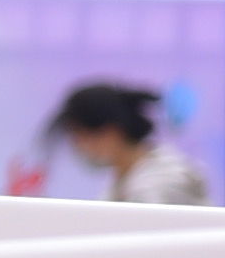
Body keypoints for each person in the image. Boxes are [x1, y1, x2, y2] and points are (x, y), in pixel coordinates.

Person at [48, 80, 212, 205]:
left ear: (110, 132)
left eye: (79, 137)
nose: (79, 148)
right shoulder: (124, 180)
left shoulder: (160, 184)